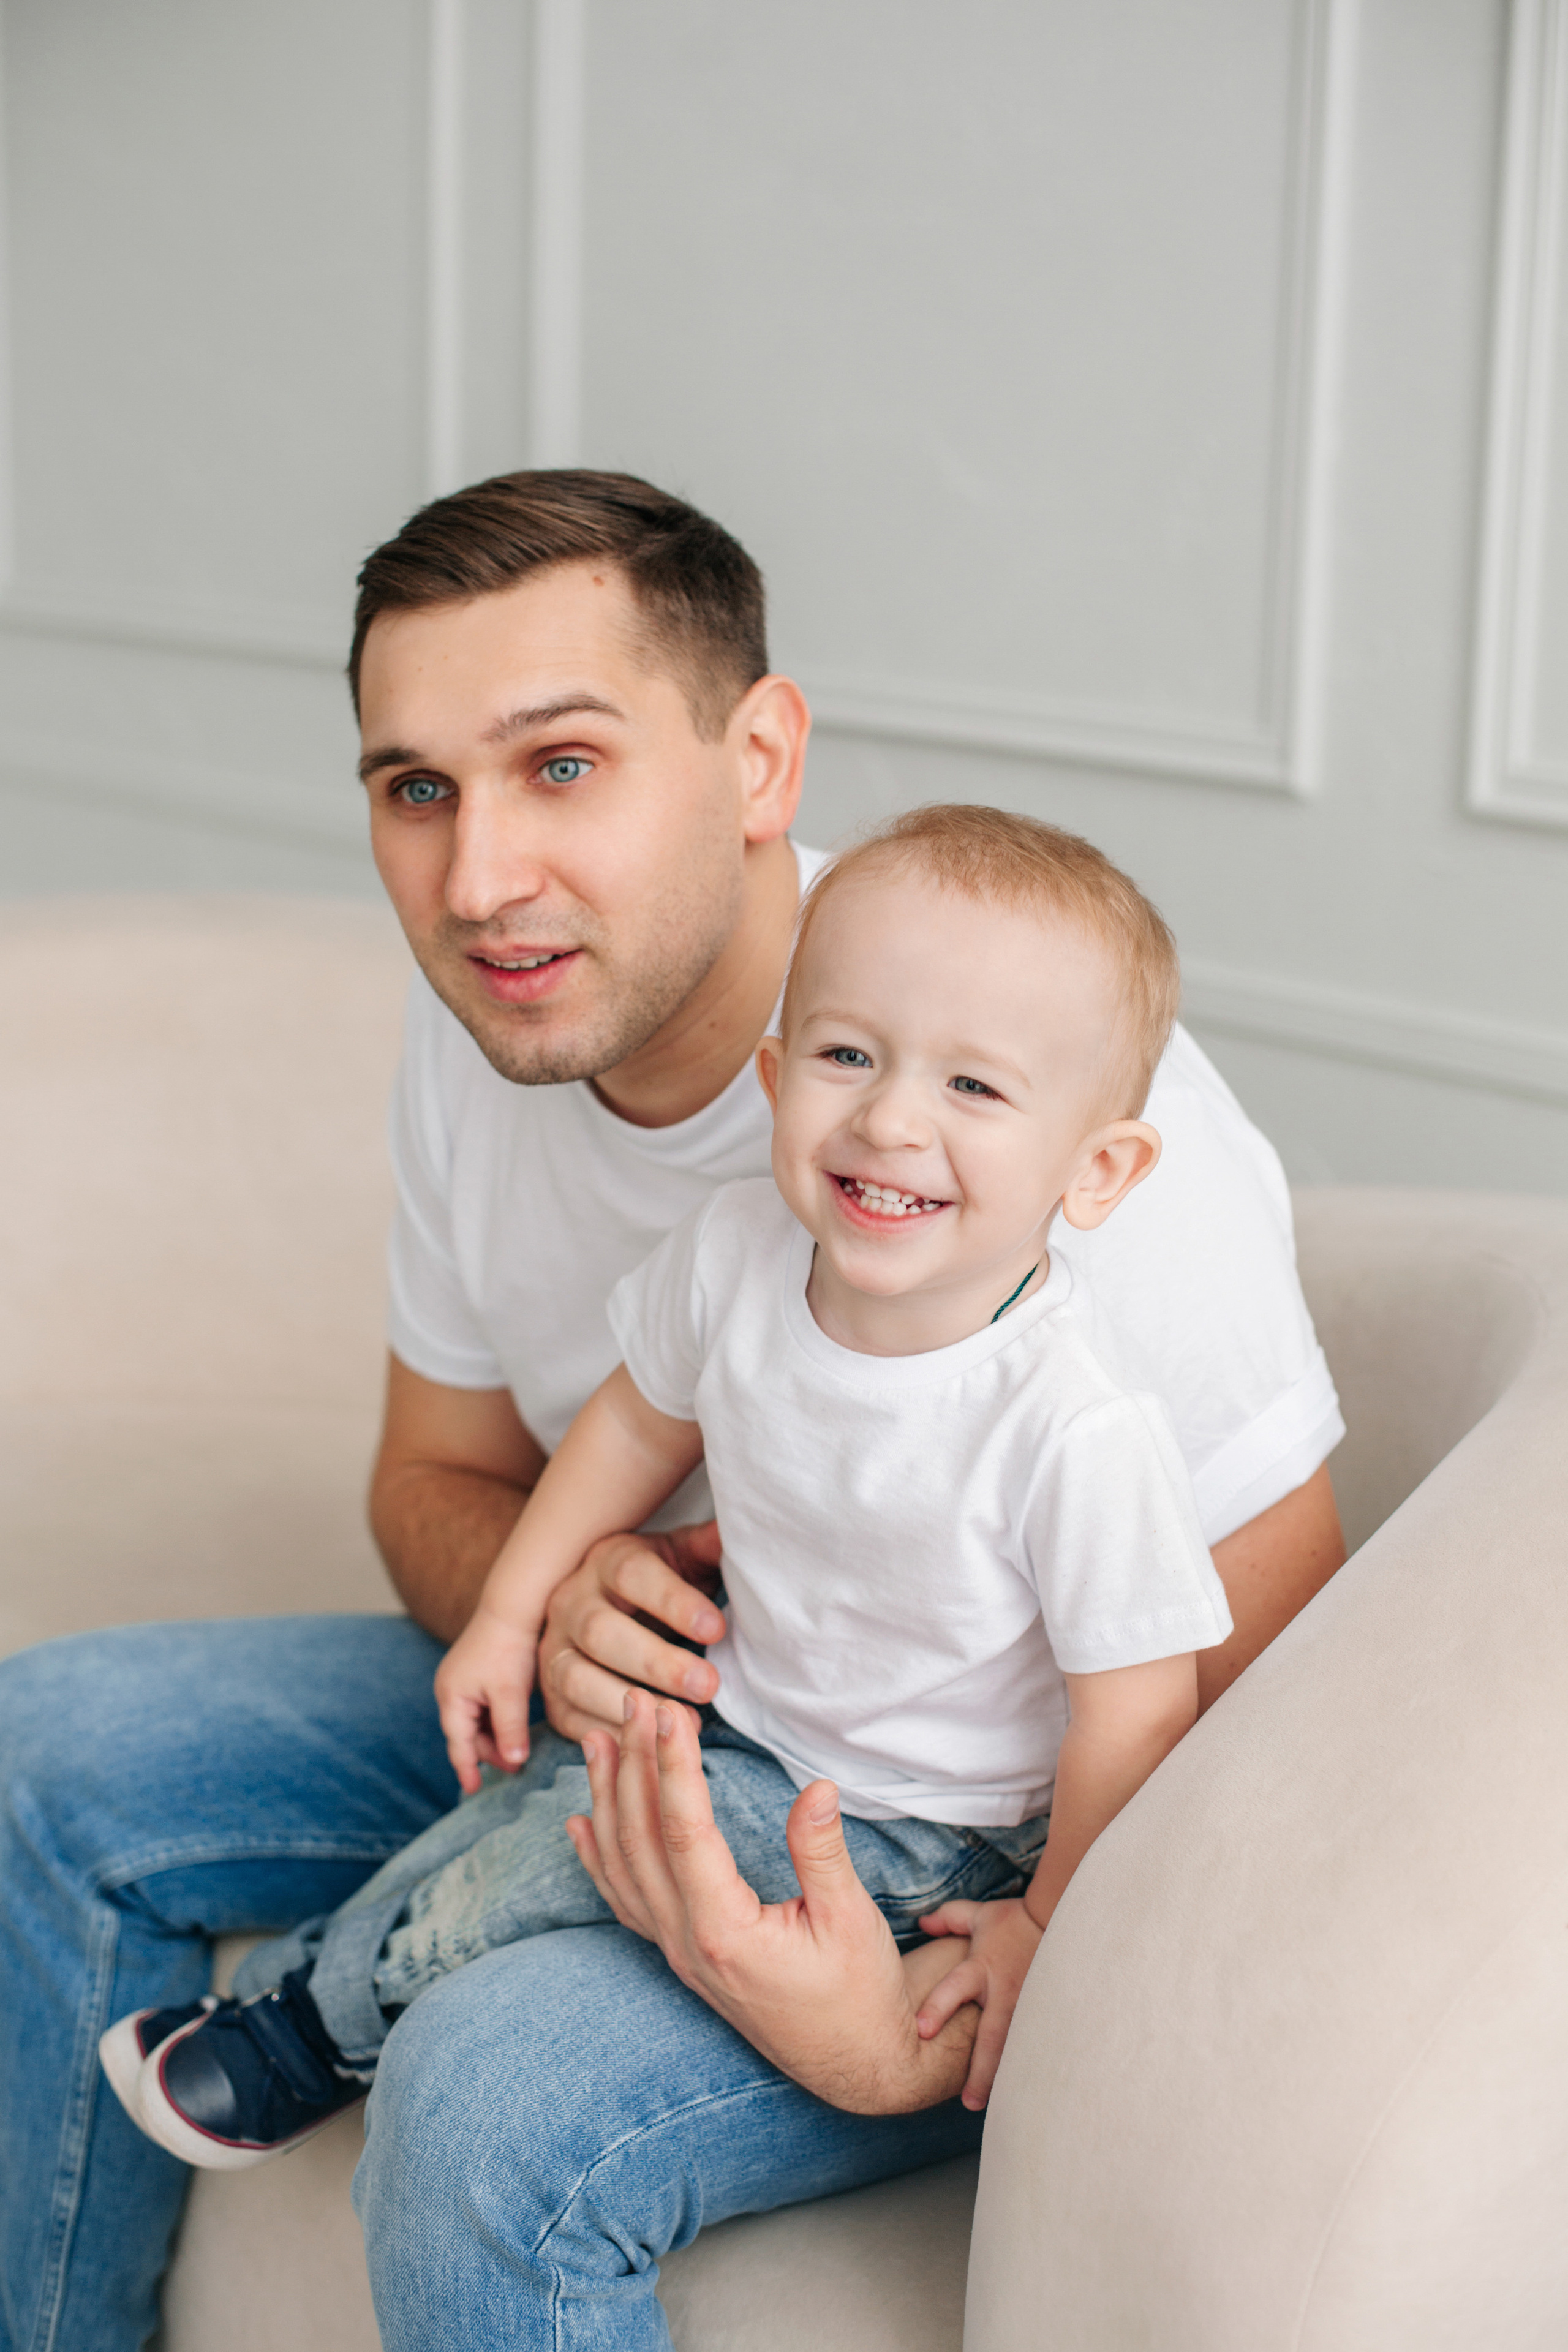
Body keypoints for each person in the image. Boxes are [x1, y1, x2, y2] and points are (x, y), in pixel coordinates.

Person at [0, 470, 1346, 2352]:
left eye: (561, 766)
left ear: (759, 758)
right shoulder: (503, 1046)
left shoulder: (1069, 1137)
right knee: (37, 1756)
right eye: (417, 790)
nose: (477, 882)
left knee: (482, 2102)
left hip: (918, 1837)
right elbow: (436, 1480)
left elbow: (1261, 1702)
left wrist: (910, 2020)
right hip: (648, 1720)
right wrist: (560, 1598)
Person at [108, 807, 1235, 2168]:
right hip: (742, 1714)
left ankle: (302, 2037)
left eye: (973, 1090)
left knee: (564, 1845)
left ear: (1096, 1170)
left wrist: (1045, 1927)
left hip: (918, 1828)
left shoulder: (1070, 1425)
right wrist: (510, 1613)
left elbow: (1135, 1709)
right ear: (775, 1079)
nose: (887, 1119)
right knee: (515, 1805)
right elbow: (632, 1426)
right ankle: (304, 1992)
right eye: (845, 1055)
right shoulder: (741, 1252)